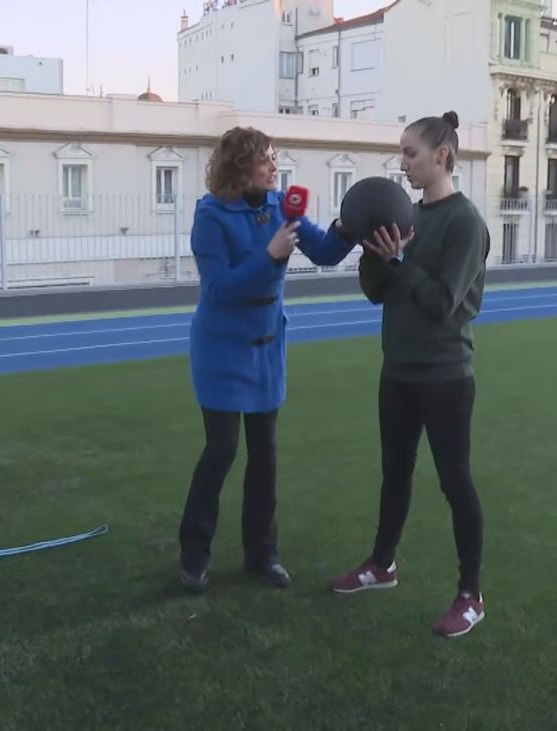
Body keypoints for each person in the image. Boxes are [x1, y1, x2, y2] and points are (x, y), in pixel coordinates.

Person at [328, 111, 492, 638]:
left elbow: (446, 303)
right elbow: (377, 292)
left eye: (411, 154)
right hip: (396, 370)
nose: (403, 164)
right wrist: (374, 256)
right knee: (394, 473)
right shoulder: (405, 218)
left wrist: (401, 263)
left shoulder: (465, 223)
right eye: (401, 153)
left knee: (455, 482)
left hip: (445, 376)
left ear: (442, 156)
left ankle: (471, 594)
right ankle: (383, 565)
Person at [179, 127, 355, 593]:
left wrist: (349, 225)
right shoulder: (211, 217)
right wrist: (270, 255)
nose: (275, 167)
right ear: (240, 167)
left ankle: (262, 556)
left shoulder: (281, 206)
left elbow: (324, 252)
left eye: (275, 158)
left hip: (266, 349)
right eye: (266, 160)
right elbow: (219, 290)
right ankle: (193, 559)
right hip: (221, 348)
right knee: (221, 451)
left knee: (265, 457)